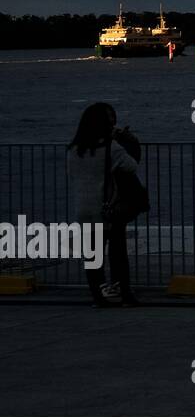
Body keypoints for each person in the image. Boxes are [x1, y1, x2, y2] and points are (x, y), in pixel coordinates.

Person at [66, 103, 140, 307]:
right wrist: (128, 140)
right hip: (107, 208)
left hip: (83, 208)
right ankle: (123, 293)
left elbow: (72, 176)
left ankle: (99, 297)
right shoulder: (111, 147)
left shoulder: (73, 149)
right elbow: (132, 166)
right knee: (117, 254)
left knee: (93, 257)